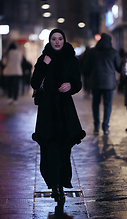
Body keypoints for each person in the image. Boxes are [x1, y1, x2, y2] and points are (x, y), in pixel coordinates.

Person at [31, 29, 85, 205]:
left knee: (64, 149)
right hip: (47, 109)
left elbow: (78, 82)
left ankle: (61, 183)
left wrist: (71, 85)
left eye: (60, 38)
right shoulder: (44, 58)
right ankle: (54, 185)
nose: (57, 42)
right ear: (50, 40)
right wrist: (43, 65)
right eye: (53, 39)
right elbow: (34, 83)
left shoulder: (71, 59)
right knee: (49, 148)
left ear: (64, 40)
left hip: (64, 109)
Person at [84, 33, 121, 135]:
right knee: (107, 104)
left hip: (95, 81)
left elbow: (86, 67)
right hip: (109, 83)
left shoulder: (92, 52)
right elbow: (119, 67)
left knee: (95, 103)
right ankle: (105, 126)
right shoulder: (113, 52)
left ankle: (96, 125)